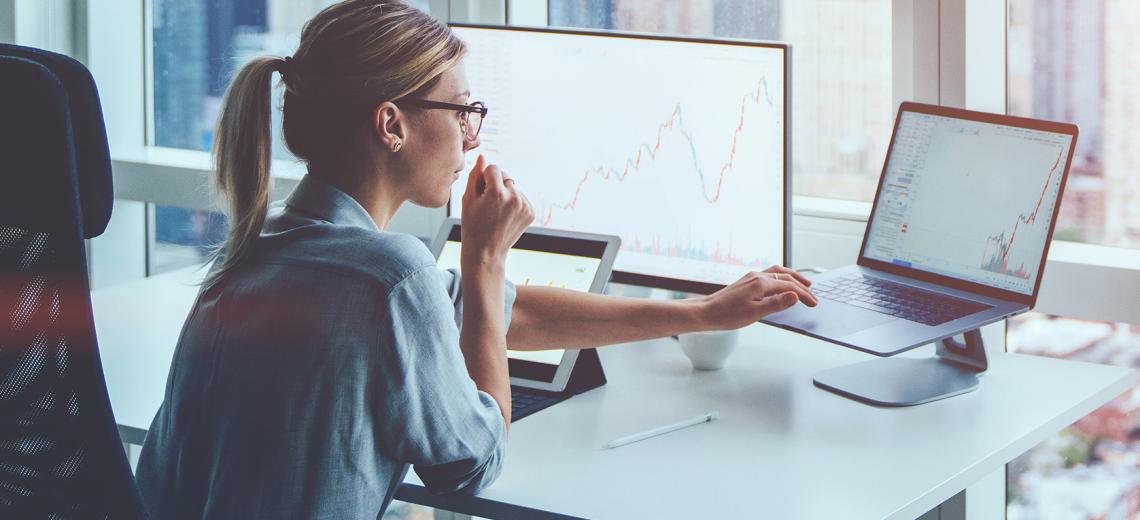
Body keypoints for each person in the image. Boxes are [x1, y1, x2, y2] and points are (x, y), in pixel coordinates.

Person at [135, 1, 817, 518]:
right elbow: (471, 466)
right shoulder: (391, 277)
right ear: (392, 124)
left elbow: (485, 314)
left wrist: (701, 313)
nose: (471, 133)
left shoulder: (259, 255)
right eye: (461, 110)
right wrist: (487, 258)